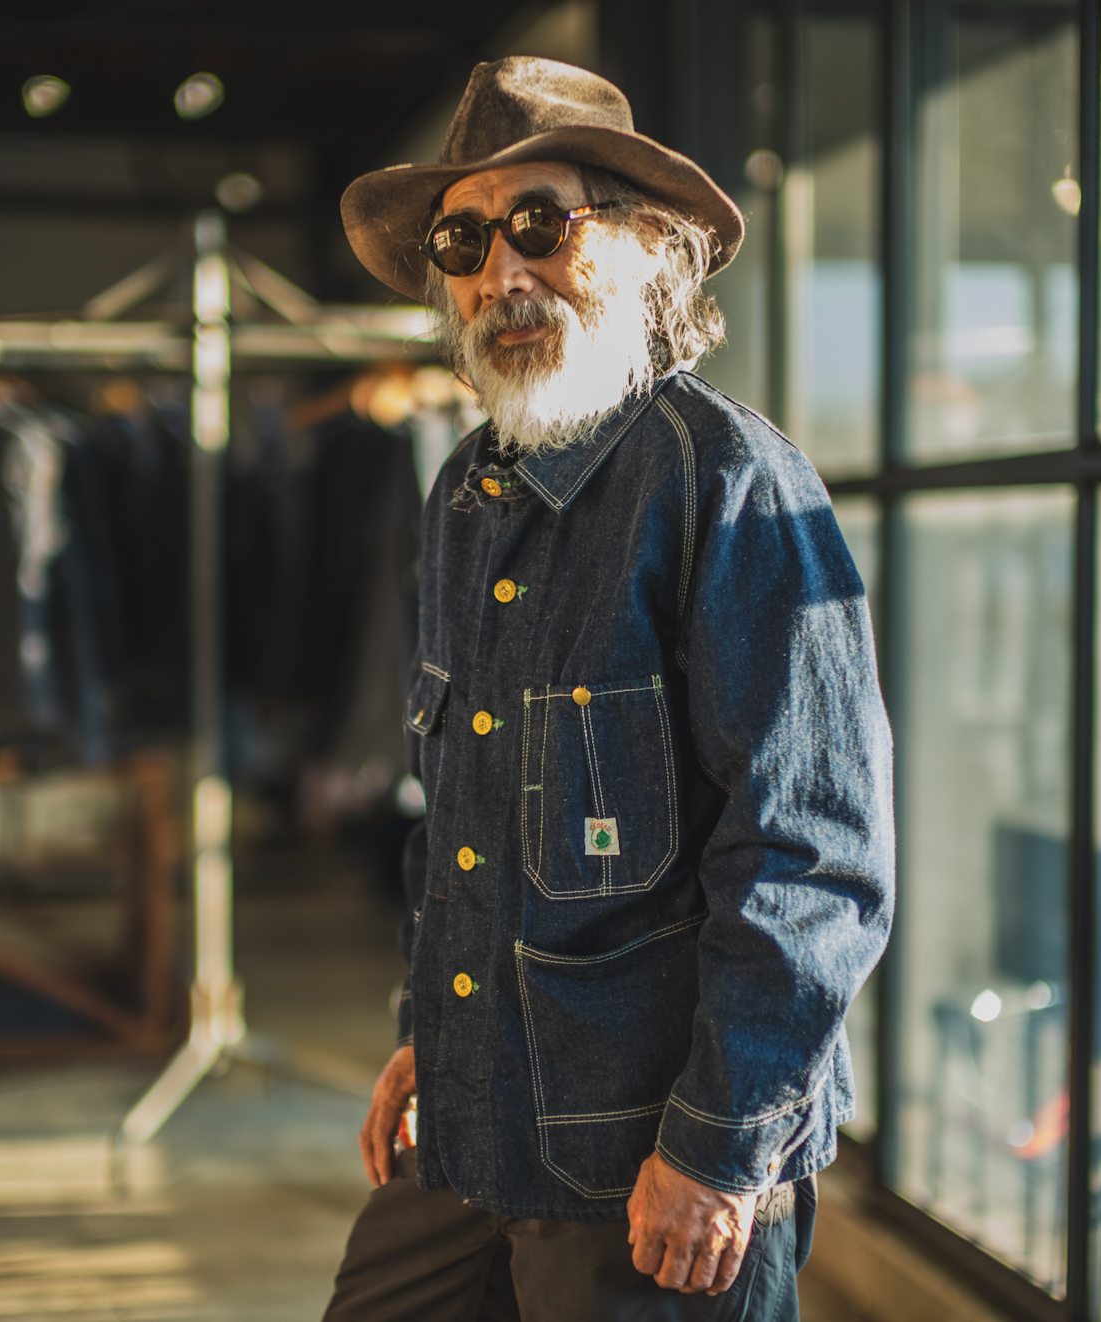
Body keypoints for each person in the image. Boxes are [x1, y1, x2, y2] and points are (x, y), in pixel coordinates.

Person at [326, 56, 893, 1321]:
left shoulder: (729, 481)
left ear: (645, 248)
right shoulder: (464, 489)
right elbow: (458, 808)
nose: (500, 272)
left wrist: (716, 1146)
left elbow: (813, 855)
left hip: (646, 1160)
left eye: (541, 222)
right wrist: (428, 1027)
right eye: (463, 240)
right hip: (473, 1116)